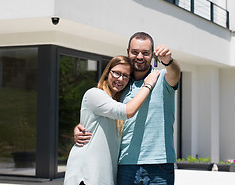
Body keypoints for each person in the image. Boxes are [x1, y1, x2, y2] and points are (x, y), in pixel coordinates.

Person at [74, 32, 181, 184]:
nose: (139, 56)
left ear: (152, 55)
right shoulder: (120, 85)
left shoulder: (161, 77)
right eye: (135, 52)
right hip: (126, 164)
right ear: (128, 51)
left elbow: (175, 73)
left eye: (145, 53)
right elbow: (103, 112)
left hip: (159, 164)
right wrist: (82, 127)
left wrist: (169, 61)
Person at [64, 55, 160, 185]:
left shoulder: (116, 102)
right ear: (107, 72)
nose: (120, 79)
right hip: (87, 176)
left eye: (125, 76)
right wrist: (148, 85)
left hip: (104, 176)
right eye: (116, 73)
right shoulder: (95, 94)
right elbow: (127, 112)